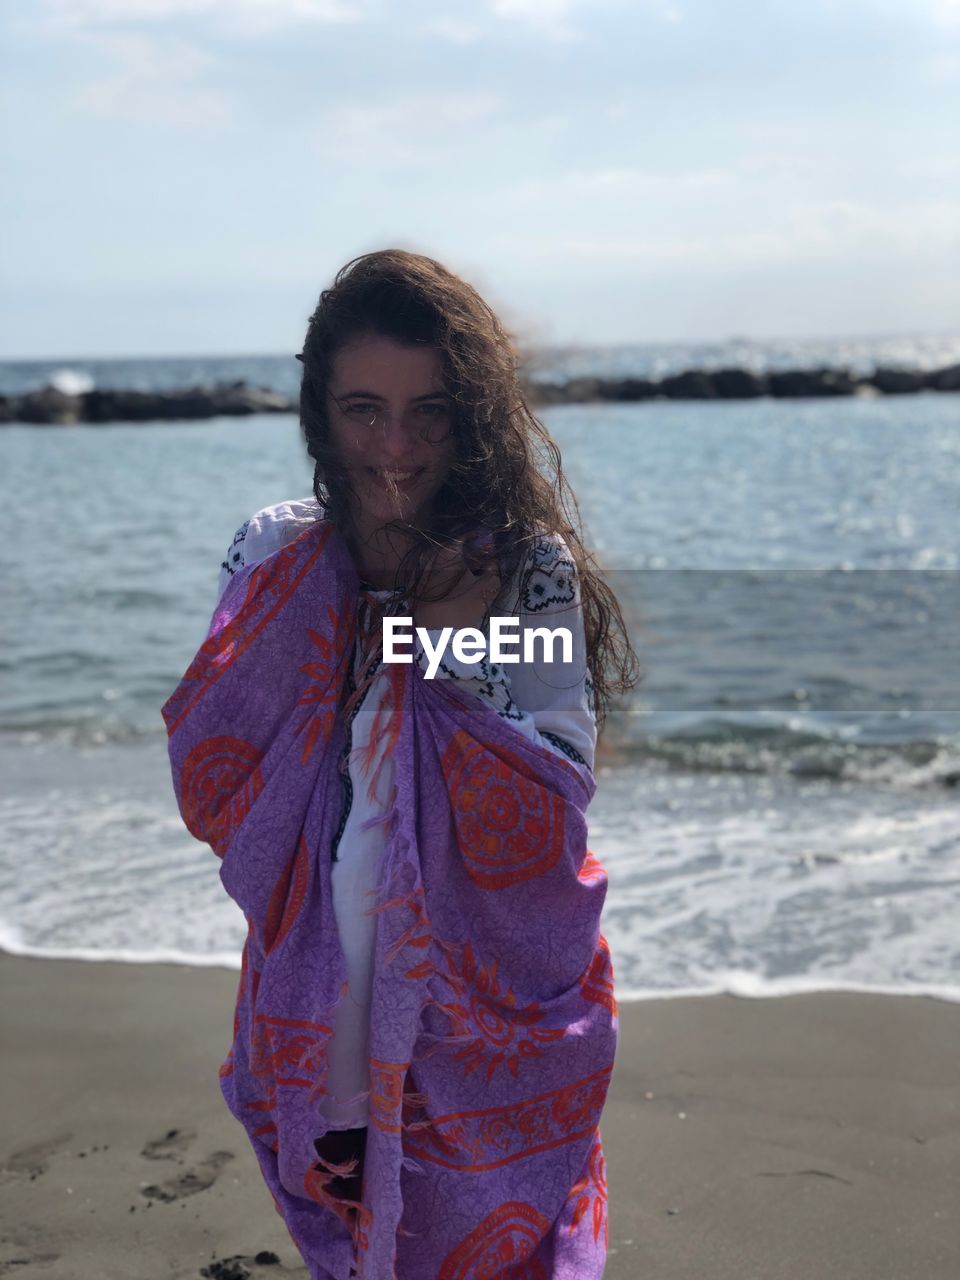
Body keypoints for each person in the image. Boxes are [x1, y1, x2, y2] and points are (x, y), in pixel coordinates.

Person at [163, 249, 638, 1279]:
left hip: (485, 1008)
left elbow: (558, 770)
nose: (395, 445)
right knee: (354, 1235)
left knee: (486, 1242)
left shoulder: (526, 565)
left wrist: (447, 645)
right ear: (318, 410)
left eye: (430, 411)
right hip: (319, 995)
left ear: (471, 416)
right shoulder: (272, 551)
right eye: (364, 408)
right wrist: (398, 638)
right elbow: (217, 764)